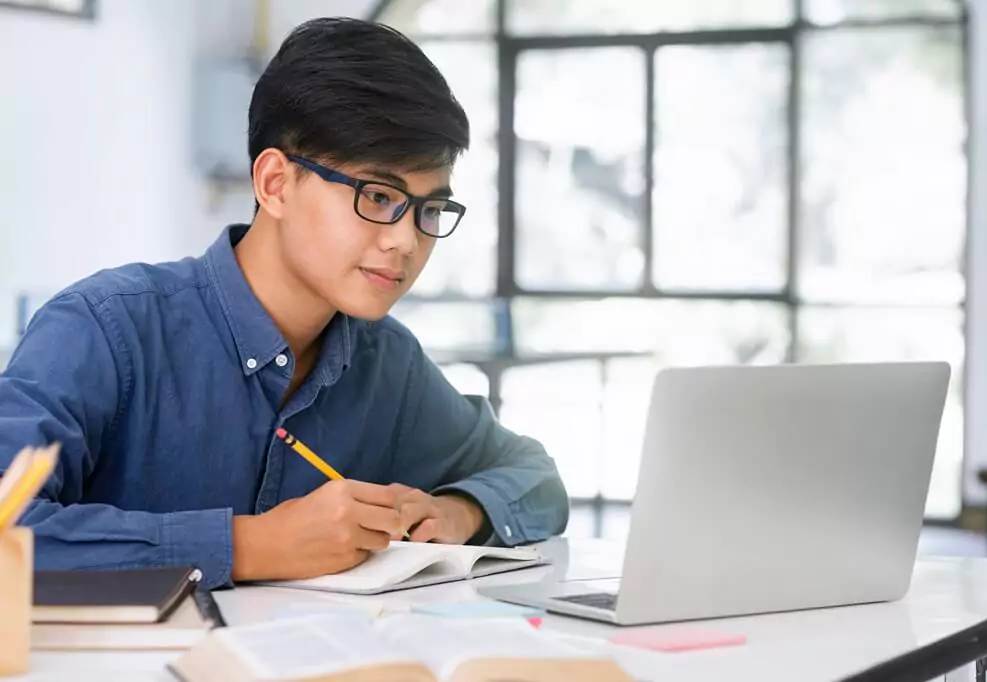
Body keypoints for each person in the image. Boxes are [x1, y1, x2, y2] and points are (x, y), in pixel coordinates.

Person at [0, 17, 568, 589]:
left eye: (429, 209)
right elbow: (7, 530)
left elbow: (533, 476)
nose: (406, 240)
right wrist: (251, 545)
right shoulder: (104, 329)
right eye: (377, 195)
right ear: (275, 183)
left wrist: (457, 512)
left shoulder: (386, 363)